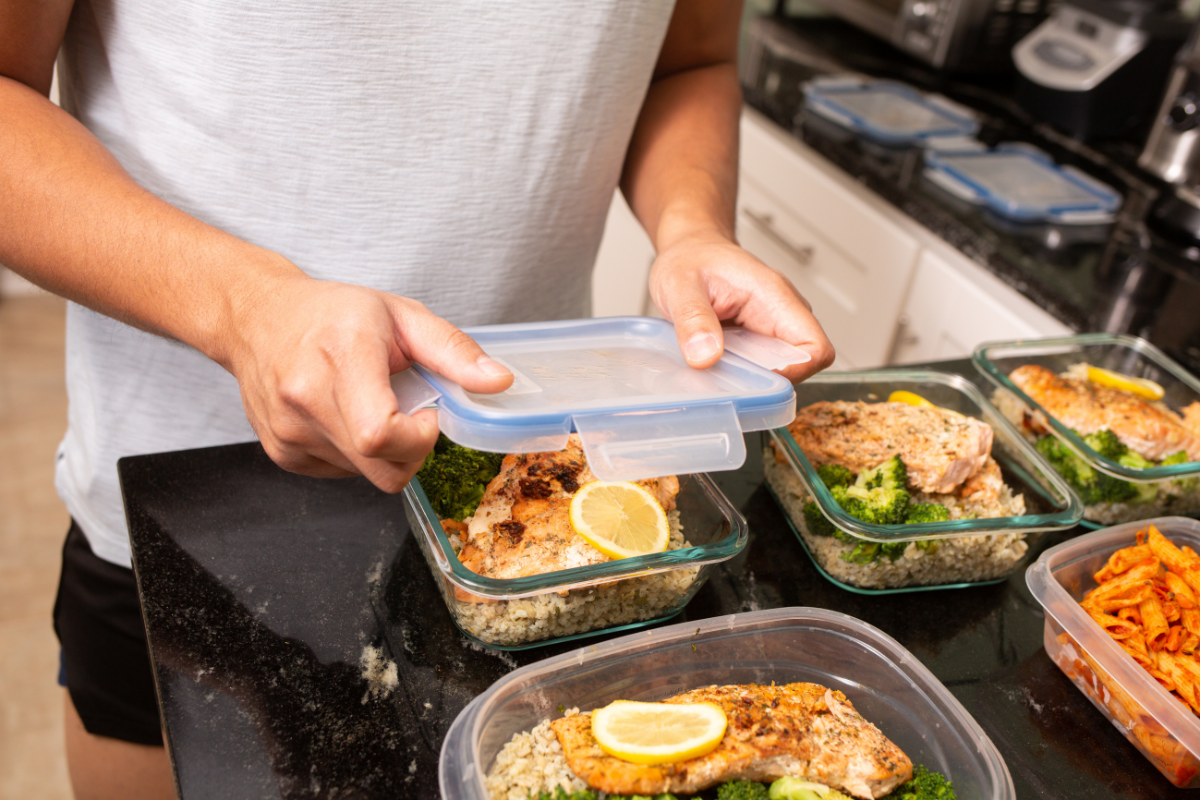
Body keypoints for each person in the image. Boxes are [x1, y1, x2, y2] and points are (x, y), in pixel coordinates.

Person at [0, 1, 835, 798]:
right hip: (195, 498)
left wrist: (692, 229)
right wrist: (241, 308)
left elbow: (687, 59)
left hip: (546, 511)